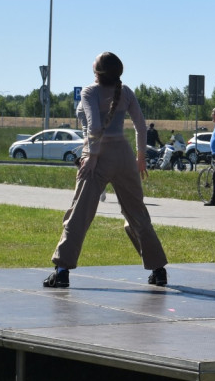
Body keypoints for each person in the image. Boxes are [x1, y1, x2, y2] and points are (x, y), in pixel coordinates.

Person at [44, 52, 168, 288]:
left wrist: (91, 155)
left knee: (79, 214)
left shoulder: (89, 91)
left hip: (98, 157)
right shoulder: (127, 91)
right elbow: (141, 125)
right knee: (137, 214)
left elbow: (95, 126)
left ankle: (61, 272)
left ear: (97, 72)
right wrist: (140, 157)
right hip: (124, 156)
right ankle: (158, 270)